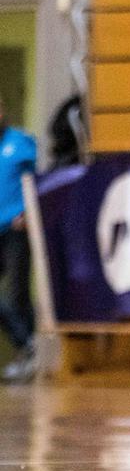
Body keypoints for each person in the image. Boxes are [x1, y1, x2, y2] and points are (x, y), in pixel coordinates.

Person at [0, 94, 37, 382]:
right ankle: (26, 343)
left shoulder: (20, 142)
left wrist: (26, 212)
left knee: (17, 292)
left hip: (15, 230)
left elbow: (36, 181)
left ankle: (29, 353)